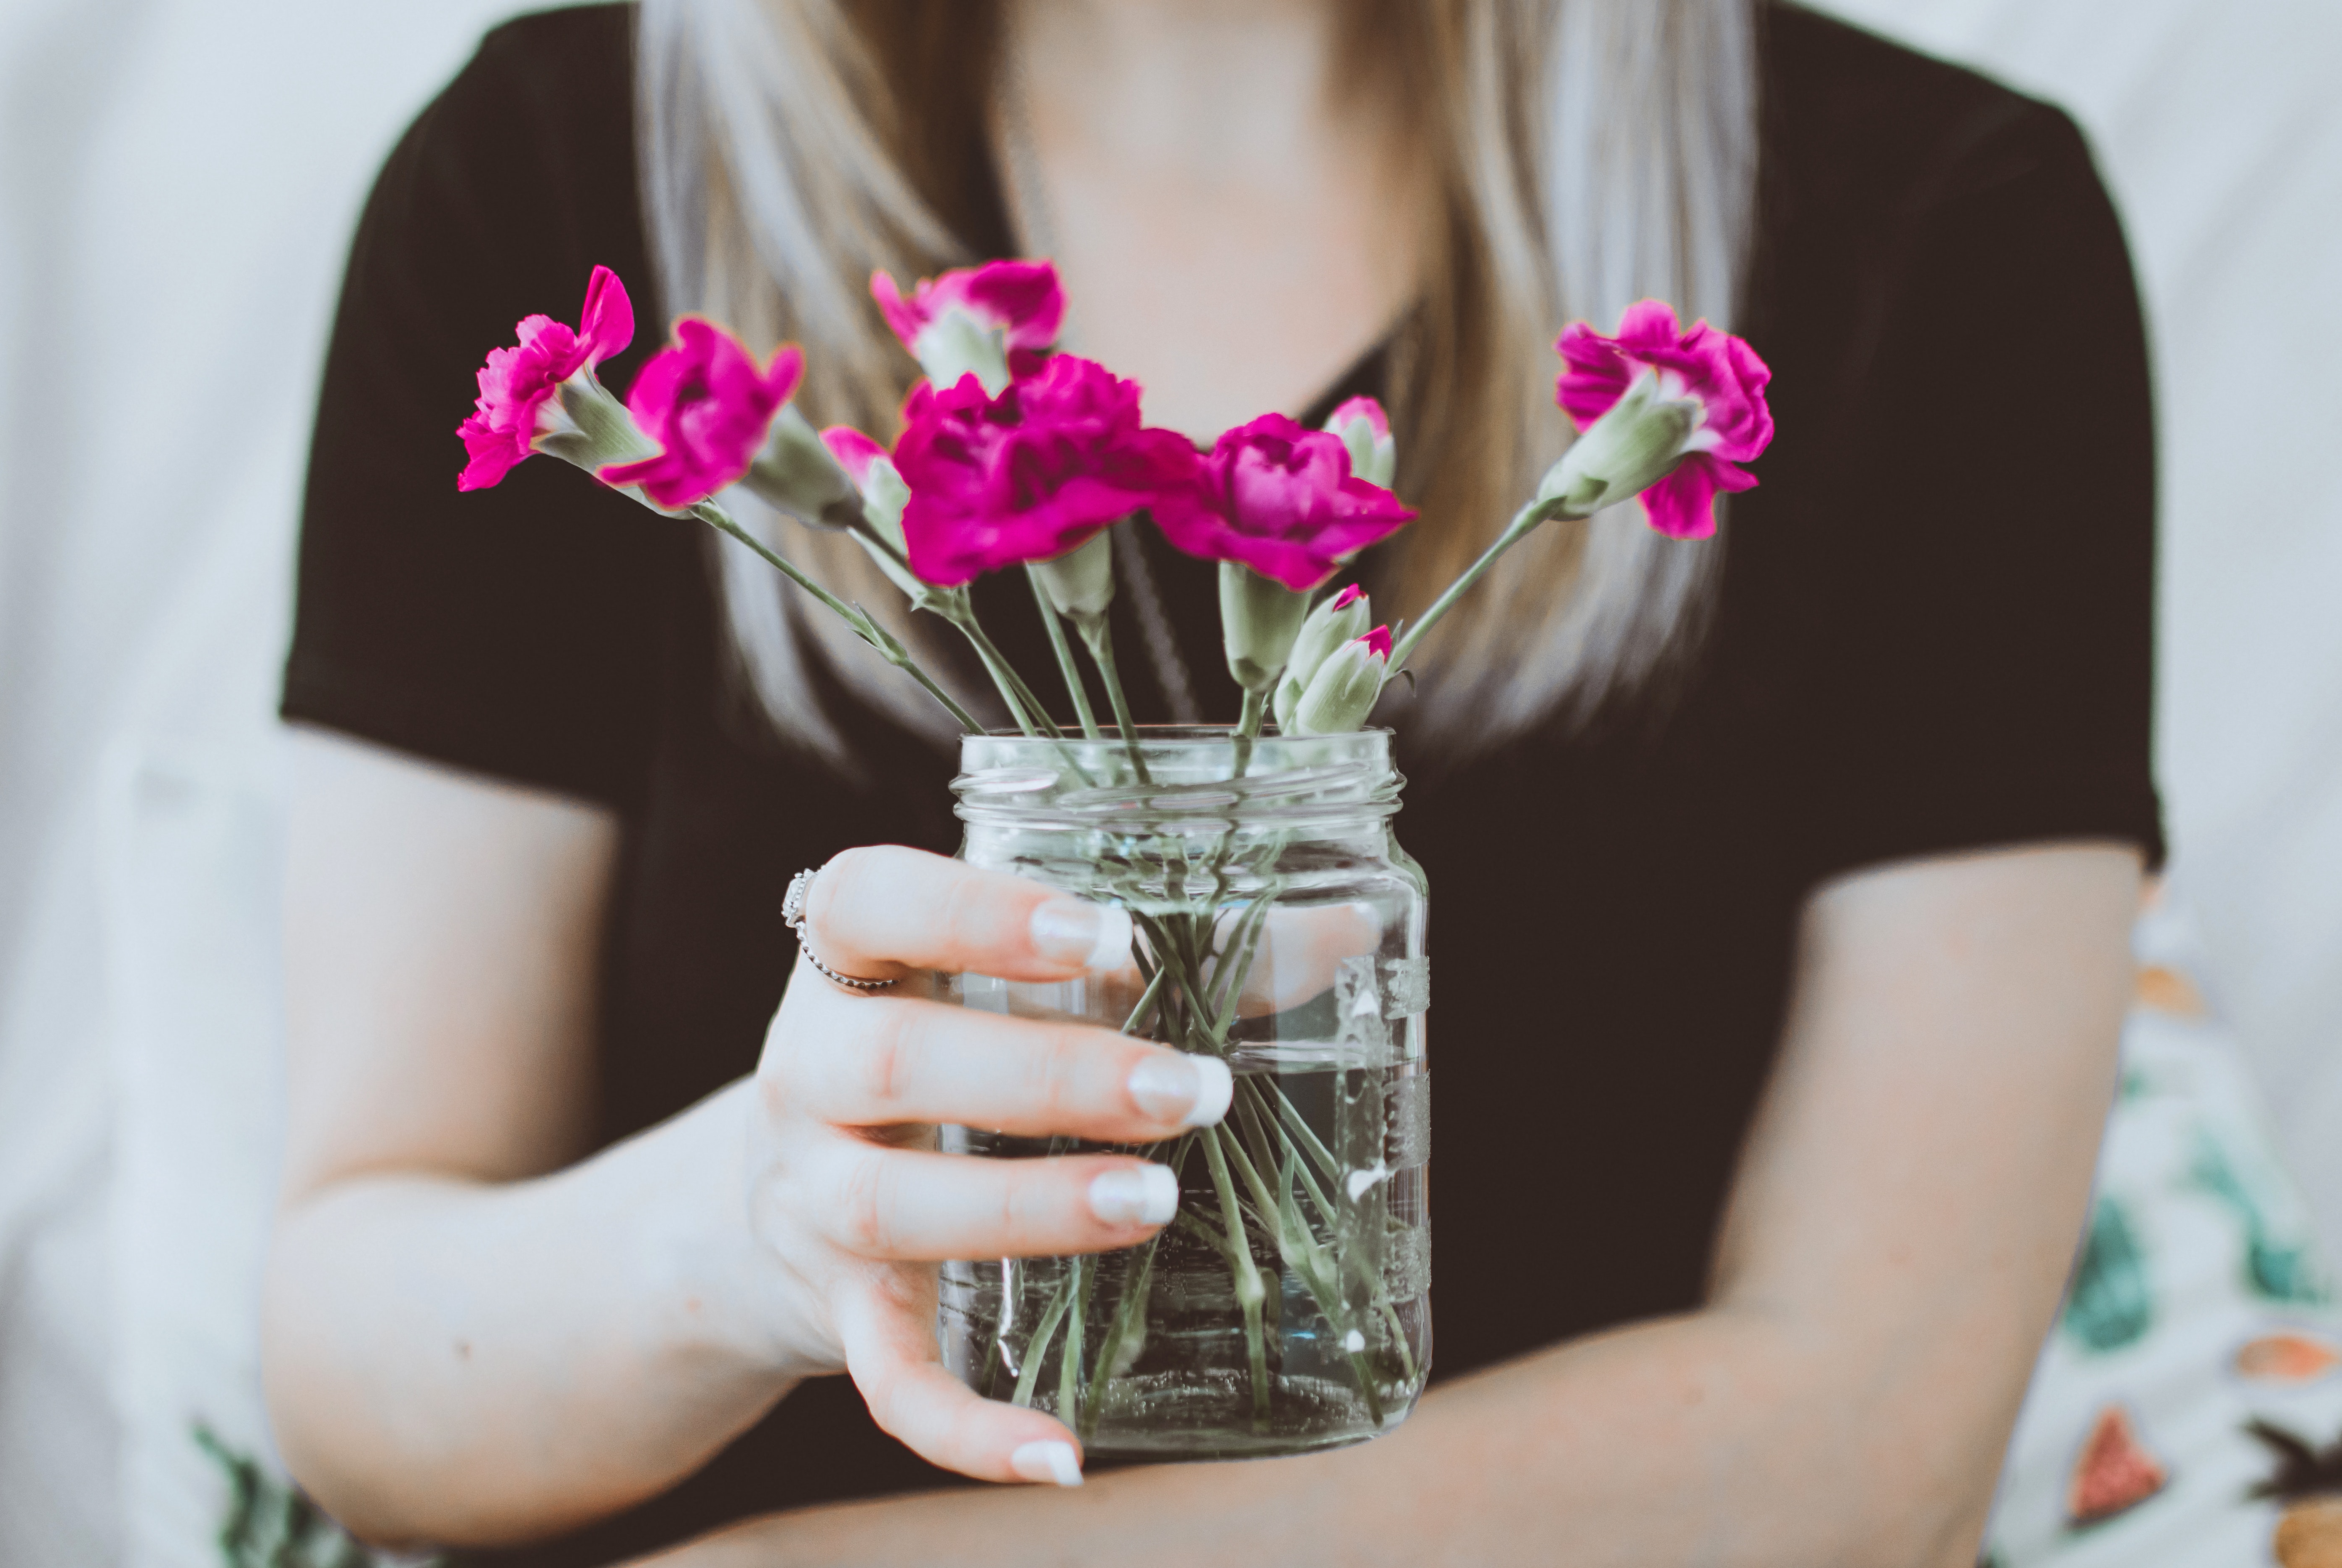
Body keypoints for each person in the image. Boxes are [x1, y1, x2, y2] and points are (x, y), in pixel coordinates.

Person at [263, 1, 2161, 1563]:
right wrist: (741, 1233)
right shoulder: (542, 165)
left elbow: (1872, 1434)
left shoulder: (1940, 237)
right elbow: (357, 1381)